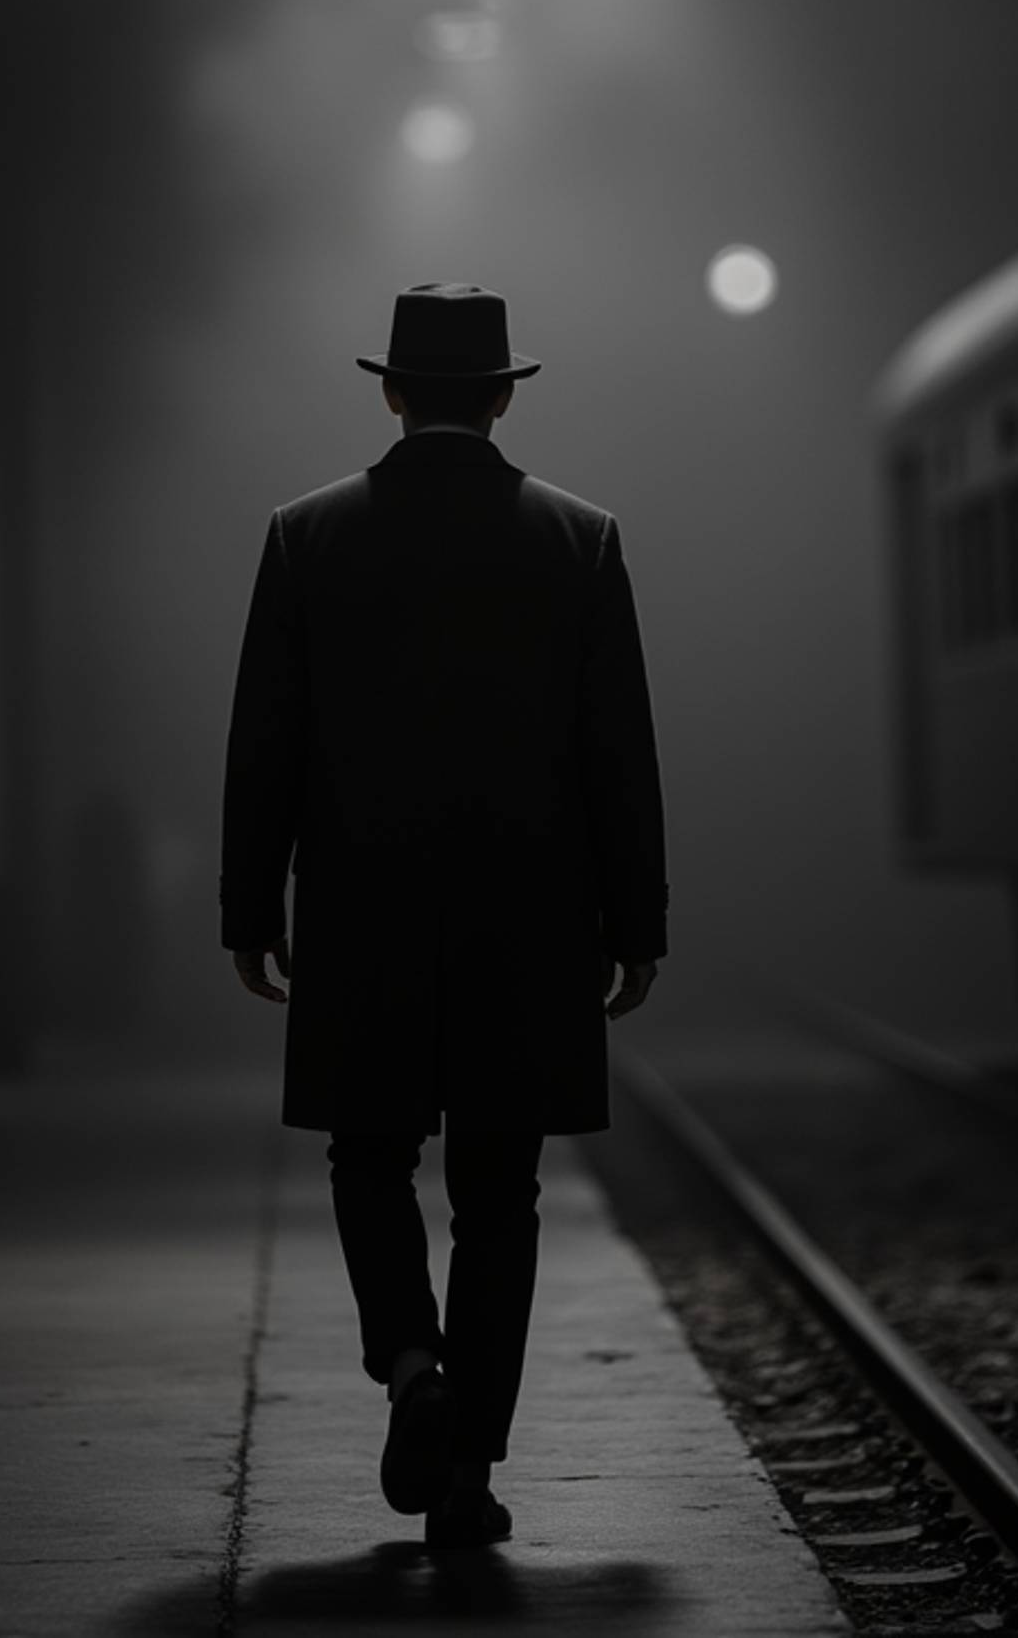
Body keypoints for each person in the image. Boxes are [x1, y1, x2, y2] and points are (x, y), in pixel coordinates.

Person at [220, 282, 668, 1550]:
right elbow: (614, 753)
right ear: (506, 393)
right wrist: (635, 920)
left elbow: (267, 743)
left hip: (361, 910)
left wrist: (248, 907)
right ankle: (465, 1467)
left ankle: (412, 1366)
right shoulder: (579, 540)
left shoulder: (305, 537)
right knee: (500, 1187)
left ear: (390, 390)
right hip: (527, 921)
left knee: (366, 1157)